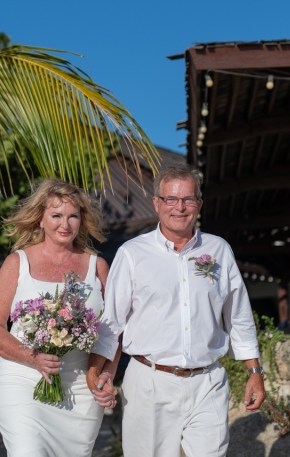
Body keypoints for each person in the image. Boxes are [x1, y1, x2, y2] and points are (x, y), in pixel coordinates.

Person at [88, 164, 266, 457]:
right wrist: (97, 371)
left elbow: (239, 315)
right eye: (171, 199)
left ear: (199, 204)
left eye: (188, 199)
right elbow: (112, 324)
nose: (180, 207)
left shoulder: (219, 250)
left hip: (208, 381)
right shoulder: (132, 254)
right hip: (150, 382)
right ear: (157, 203)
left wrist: (255, 371)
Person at [0, 178, 115, 456]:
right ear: (40, 219)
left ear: (82, 220)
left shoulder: (98, 266)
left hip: (80, 385)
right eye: (56, 215)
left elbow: (113, 331)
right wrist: (30, 356)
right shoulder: (17, 262)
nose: (64, 224)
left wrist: (106, 375)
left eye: (73, 216)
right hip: (23, 379)